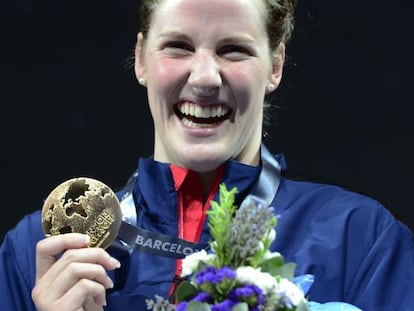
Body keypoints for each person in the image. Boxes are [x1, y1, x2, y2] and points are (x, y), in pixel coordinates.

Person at [1, 0, 413, 310]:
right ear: (141, 59)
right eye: (178, 46)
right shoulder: (41, 251)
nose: (203, 78)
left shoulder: (362, 242)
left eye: (233, 49)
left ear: (276, 64)